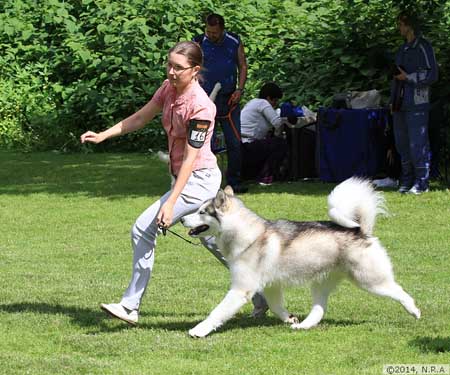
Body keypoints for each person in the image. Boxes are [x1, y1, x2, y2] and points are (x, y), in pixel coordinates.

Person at [80, 41, 267, 324]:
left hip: (198, 180)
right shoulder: (168, 88)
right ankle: (258, 292)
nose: (171, 72)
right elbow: (142, 116)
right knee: (212, 241)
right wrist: (104, 135)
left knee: (143, 228)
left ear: (195, 70)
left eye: (178, 68)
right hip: (184, 177)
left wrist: (169, 204)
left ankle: (130, 307)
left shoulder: (201, 107)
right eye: (169, 65)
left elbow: (191, 159)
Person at [194, 13, 248, 193]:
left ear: (222, 30)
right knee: (203, 142)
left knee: (234, 142)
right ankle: (204, 182)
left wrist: (239, 89)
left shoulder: (234, 41)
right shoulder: (199, 41)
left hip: (229, 99)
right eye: (208, 31)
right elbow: (191, 68)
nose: (211, 35)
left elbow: (243, 66)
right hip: (204, 100)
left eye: (214, 32)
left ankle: (234, 182)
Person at [390, 12, 438, 194]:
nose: (399, 28)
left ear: (409, 25)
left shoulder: (423, 47)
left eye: (401, 24)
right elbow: (395, 77)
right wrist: (392, 101)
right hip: (400, 103)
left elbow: (432, 75)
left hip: (417, 102)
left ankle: (422, 183)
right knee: (402, 143)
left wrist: (408, 77)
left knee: (418, 142)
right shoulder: (402, 49)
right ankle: (406, 179)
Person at [240, 82, 288, 185]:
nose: (275, 104)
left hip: (241, 144)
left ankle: (255, 175)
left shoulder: (253, 102)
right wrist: (278, 136)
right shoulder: (263, 103)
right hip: (248, 145)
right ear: (268, 97)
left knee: (269, 142)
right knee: (280, 144)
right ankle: (267, 175)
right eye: (275, 100)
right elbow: (278, 123)